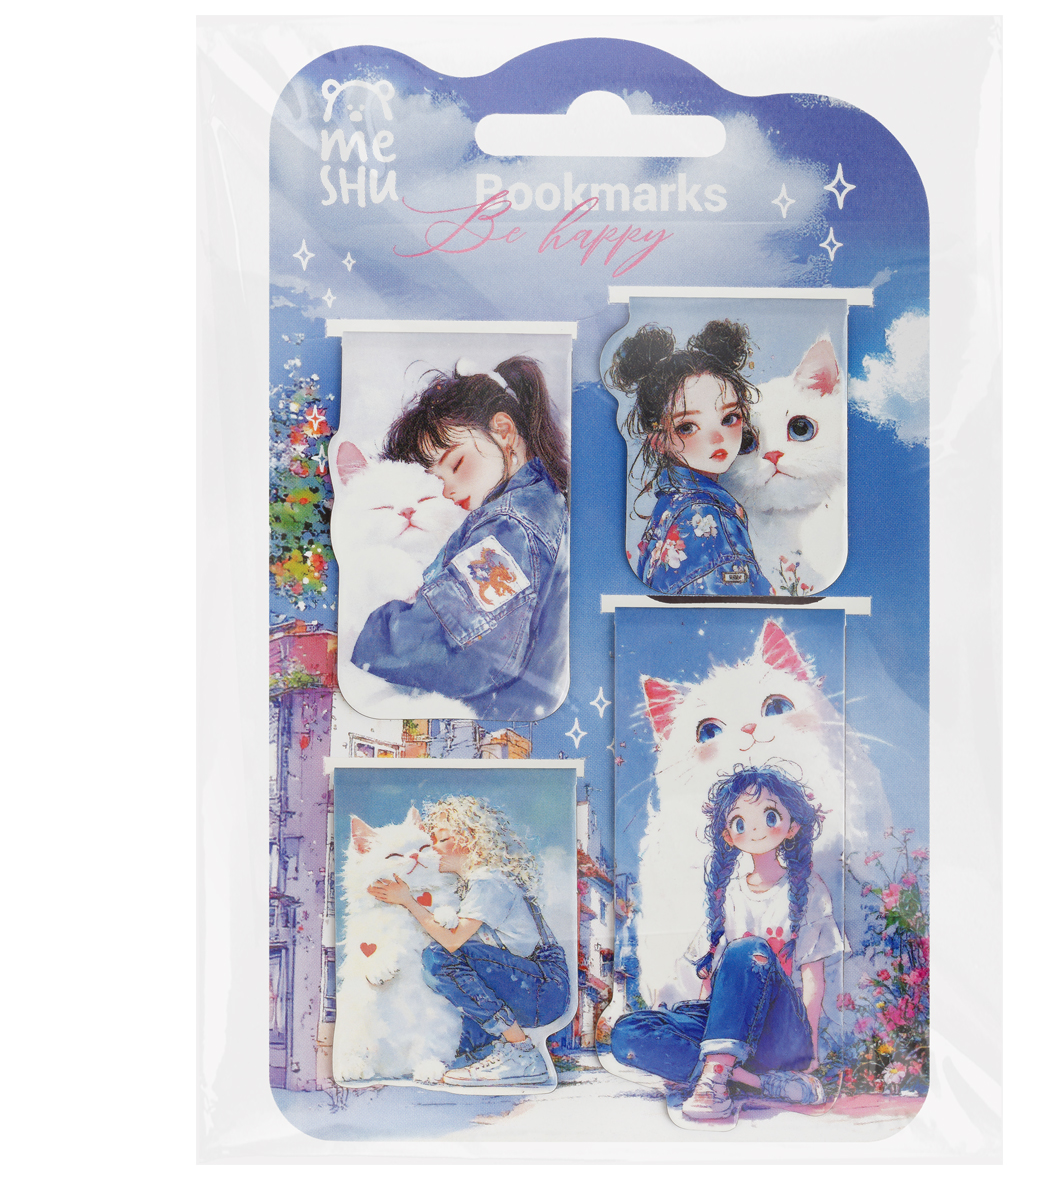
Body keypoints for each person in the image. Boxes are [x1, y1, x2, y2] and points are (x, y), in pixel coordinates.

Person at [610, 765, 846, 1121]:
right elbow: (710, 982)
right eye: (740, 822)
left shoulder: (809, 889)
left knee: (747, 950)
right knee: (628, 1032)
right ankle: (749, 1080)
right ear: (728, 835)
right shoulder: (728, 895)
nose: (755, 829)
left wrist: (809, 1050)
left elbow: (814, 980)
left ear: (792, 826)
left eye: (769, 816)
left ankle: (714, 1080)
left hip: (779, 1031)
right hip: (731, 1032)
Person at [351, 356, 570, 719]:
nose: (448, 490)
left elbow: (456, 646)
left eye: (456, 464)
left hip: (501, 717)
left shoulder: (509, 527)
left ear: (504, 431)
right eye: (436, 480)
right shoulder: (541, 504)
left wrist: (363, 633)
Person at [368, 795, 570, 1089]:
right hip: (530, 984)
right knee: (456, 1044)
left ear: (472, 840)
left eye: (442, 840)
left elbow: (451, 942)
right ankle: (494, 1054)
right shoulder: (476, 884)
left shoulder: (488, 881)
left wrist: (408, 901)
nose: (433, 848)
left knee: (438, 957)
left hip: (544, 989)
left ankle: (522, 1053)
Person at [605, 319, 773, 595]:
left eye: (729, 418)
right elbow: (732, 612)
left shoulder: (672, 505)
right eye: (687, 427)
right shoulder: (706, 517)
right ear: (658, 440)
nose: (717, 438)